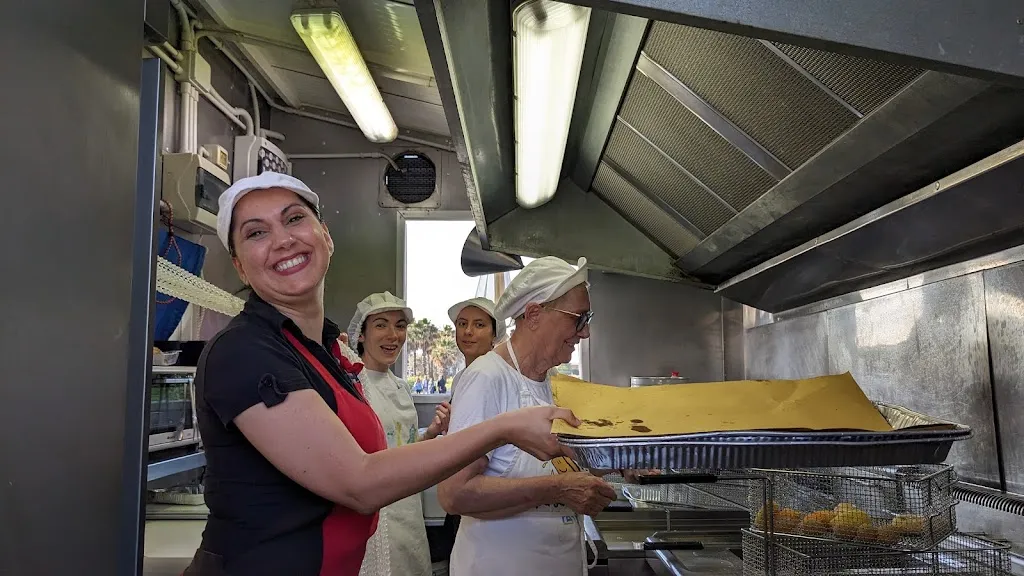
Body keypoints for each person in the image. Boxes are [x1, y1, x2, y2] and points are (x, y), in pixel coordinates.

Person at [185, 172, 579, 576]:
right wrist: (503, 428)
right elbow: (359, 482)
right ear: (239, 266)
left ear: (326, 235)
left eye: (294, 219)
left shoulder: (323, 351)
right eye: (255, 233)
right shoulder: (245, 351)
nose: (283, 239)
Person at [440, 257, 617, 576]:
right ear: (534, 314)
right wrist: (559, 489)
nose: (586, 332)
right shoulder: (488, 378)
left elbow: (561, 464)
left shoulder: (552, 383)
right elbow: (454, 493)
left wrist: (624, 460)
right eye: (579, 318)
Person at [341, 292, 447, 576]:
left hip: (409, 514)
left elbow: (402, 446)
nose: (393, 335)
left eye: (400, 325)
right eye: (381, 325)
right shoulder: (350, 383)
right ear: (360, 335)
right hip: (374, 517)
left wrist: (432, 433)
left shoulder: (400, 387)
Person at [447, 297, 506, 402]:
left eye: (479, 325)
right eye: (462, 324)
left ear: (494, 334)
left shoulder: (496, 375)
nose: (468, 331)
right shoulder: (459, 378)